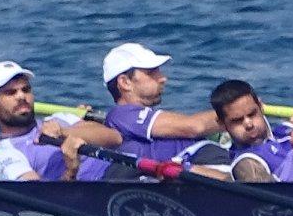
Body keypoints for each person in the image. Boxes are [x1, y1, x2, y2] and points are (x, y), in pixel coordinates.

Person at [98, 42, 230, 171]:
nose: (163, 78)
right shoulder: (123, 115)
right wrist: (236, 112)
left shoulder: (134, 119)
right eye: (151, 73)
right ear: (125, 82)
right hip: (211, 170)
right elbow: (194, 127)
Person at [0, 61, 116, 181]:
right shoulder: (7, 155)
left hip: (120, 167)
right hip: (106, 187)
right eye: (11, 92)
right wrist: (71, 171)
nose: (21, 96)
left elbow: (115, 138)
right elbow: (39, 195)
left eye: (25, 90)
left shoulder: (58, 119)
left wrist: (64, 132)